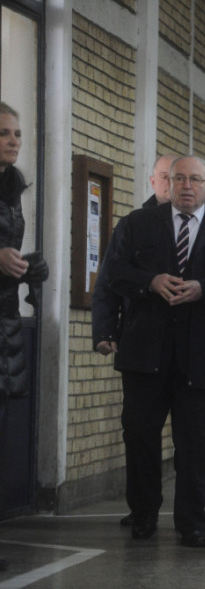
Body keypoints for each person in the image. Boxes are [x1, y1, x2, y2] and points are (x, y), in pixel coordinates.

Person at [104, 155, 205, 547]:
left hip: (200, 352)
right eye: (179, 178)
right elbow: (113, 273)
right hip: (145, 351)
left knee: (194, 442)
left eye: (195, 179)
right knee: (140, 435)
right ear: (167, 183)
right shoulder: (137, 224)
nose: (187, 186)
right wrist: (150, 281)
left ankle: (192, 522)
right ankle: (143, 513)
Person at [0, 103, 48, 570]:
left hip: (6, 321)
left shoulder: (12, 188)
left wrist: (28, 267)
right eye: (4, 133)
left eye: (16, 133)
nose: (14, 140)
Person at [93, 154, 177, 358]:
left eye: (177, 177)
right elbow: (108, 279)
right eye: (164, 176)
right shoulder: (132, 225)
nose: (171, 183)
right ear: (153, 181)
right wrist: (104, 331)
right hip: (141, 333)